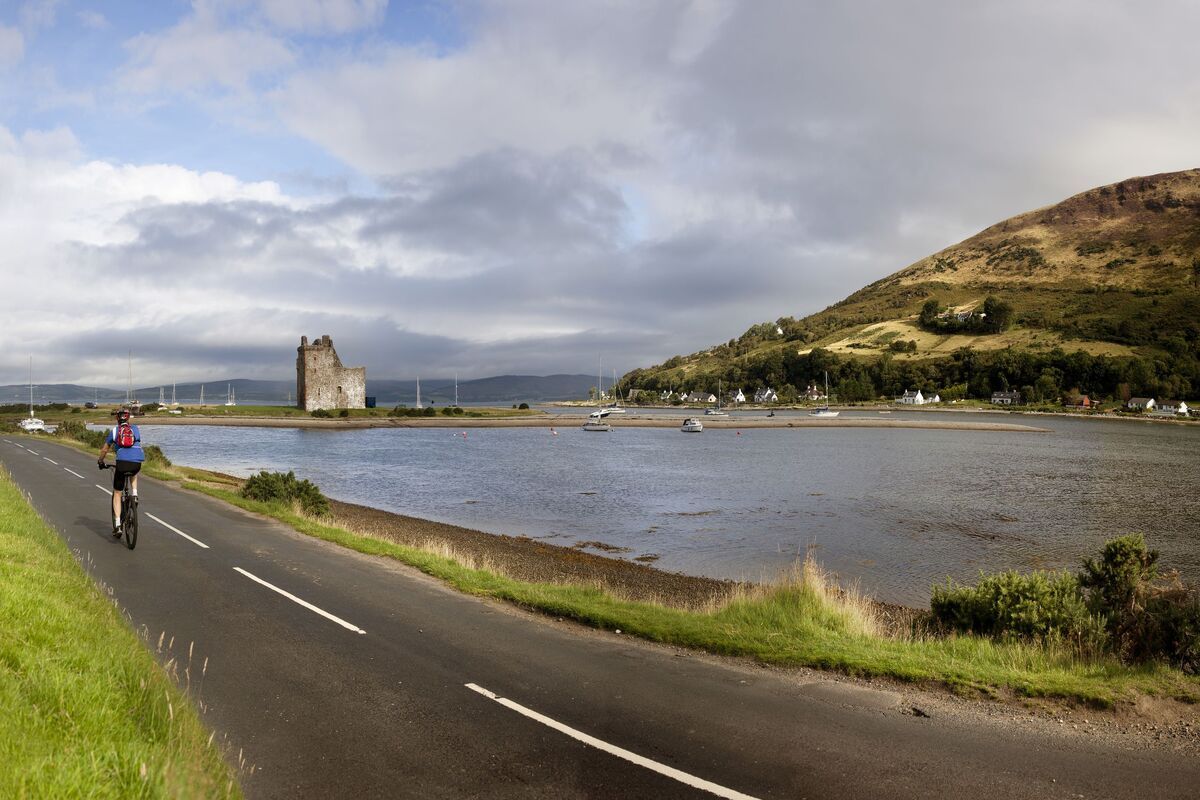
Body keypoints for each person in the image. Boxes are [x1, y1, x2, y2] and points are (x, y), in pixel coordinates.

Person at [97, 408, 145, 537]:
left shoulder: (115, 431)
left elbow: (104, 449)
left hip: (122, 463)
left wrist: (100, 461)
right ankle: (134, 494)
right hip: (136, 462)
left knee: (117, 493)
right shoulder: (135, 429)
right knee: (134, 471)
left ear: (117, 419)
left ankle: (117, 525)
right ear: (128, 418)